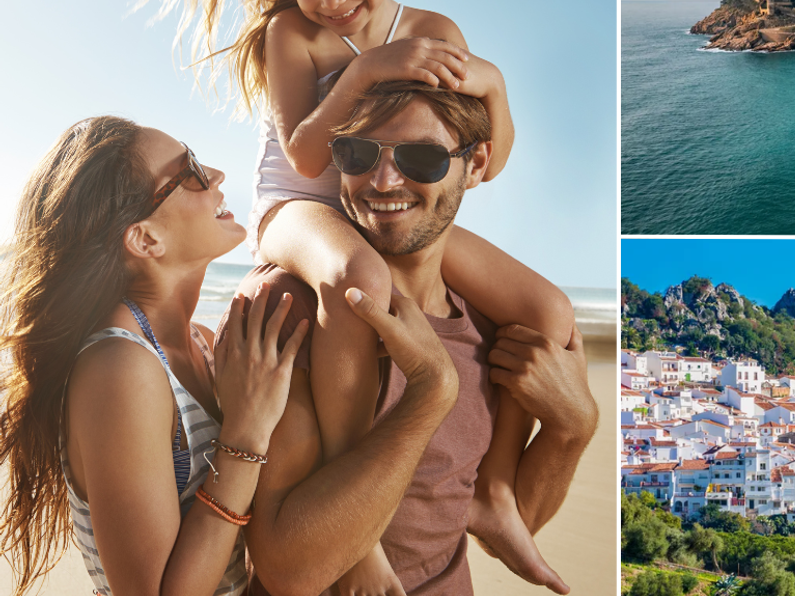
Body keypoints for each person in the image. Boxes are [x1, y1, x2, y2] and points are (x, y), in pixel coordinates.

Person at [145, 0, 572, 589]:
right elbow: (307, 154)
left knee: (547, 309)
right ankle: (362, 526)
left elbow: (487, 151)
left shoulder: (433, 28)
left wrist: (491, 83)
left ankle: (493, 494)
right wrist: (368, 72)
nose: (329, 0)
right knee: (360, 282)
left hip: (381, 196)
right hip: (297, 210)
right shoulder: (293, 34)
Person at [225, 81, 599, 595]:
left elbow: (511, 518)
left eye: (421, 158)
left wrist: (572, 427)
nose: (382, 180)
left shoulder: (494, 328)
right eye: (356, 154)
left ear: (477, 163)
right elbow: (290, 572)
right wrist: (431, 393)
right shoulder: (293, 308)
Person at [0, 116, 310, 596]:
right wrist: (245, 434)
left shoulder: (206, 344)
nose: (217, 175)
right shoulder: (120, 368)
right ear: (145, 239)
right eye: (190, 172)